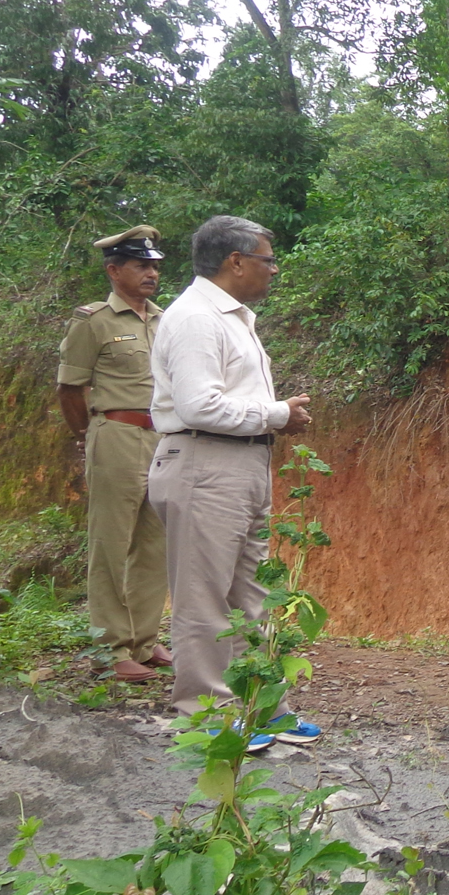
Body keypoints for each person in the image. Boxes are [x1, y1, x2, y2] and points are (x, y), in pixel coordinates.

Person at [148, 216, 318, 746]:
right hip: (204, 464)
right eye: (268, 259)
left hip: (237, 464)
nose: (273, 269)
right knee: (203, 596)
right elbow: (200, 405)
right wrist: (275, 414)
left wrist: (272, 420)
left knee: (253, 592)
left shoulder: (232, 317)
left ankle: (263, 707)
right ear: (235, 262)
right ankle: (209, 717)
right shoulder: (197, 318)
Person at [57, 227, 171, 685]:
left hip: (162, 436)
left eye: (155, 265)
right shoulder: (94, 320)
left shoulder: (165, 320)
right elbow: (70, 388)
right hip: (116, 434)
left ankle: (144, 642)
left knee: (155, 543)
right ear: (113, 270)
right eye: (141, 265)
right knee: (110, 543)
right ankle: (109, 649)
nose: (151, 272)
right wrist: (89, 436)